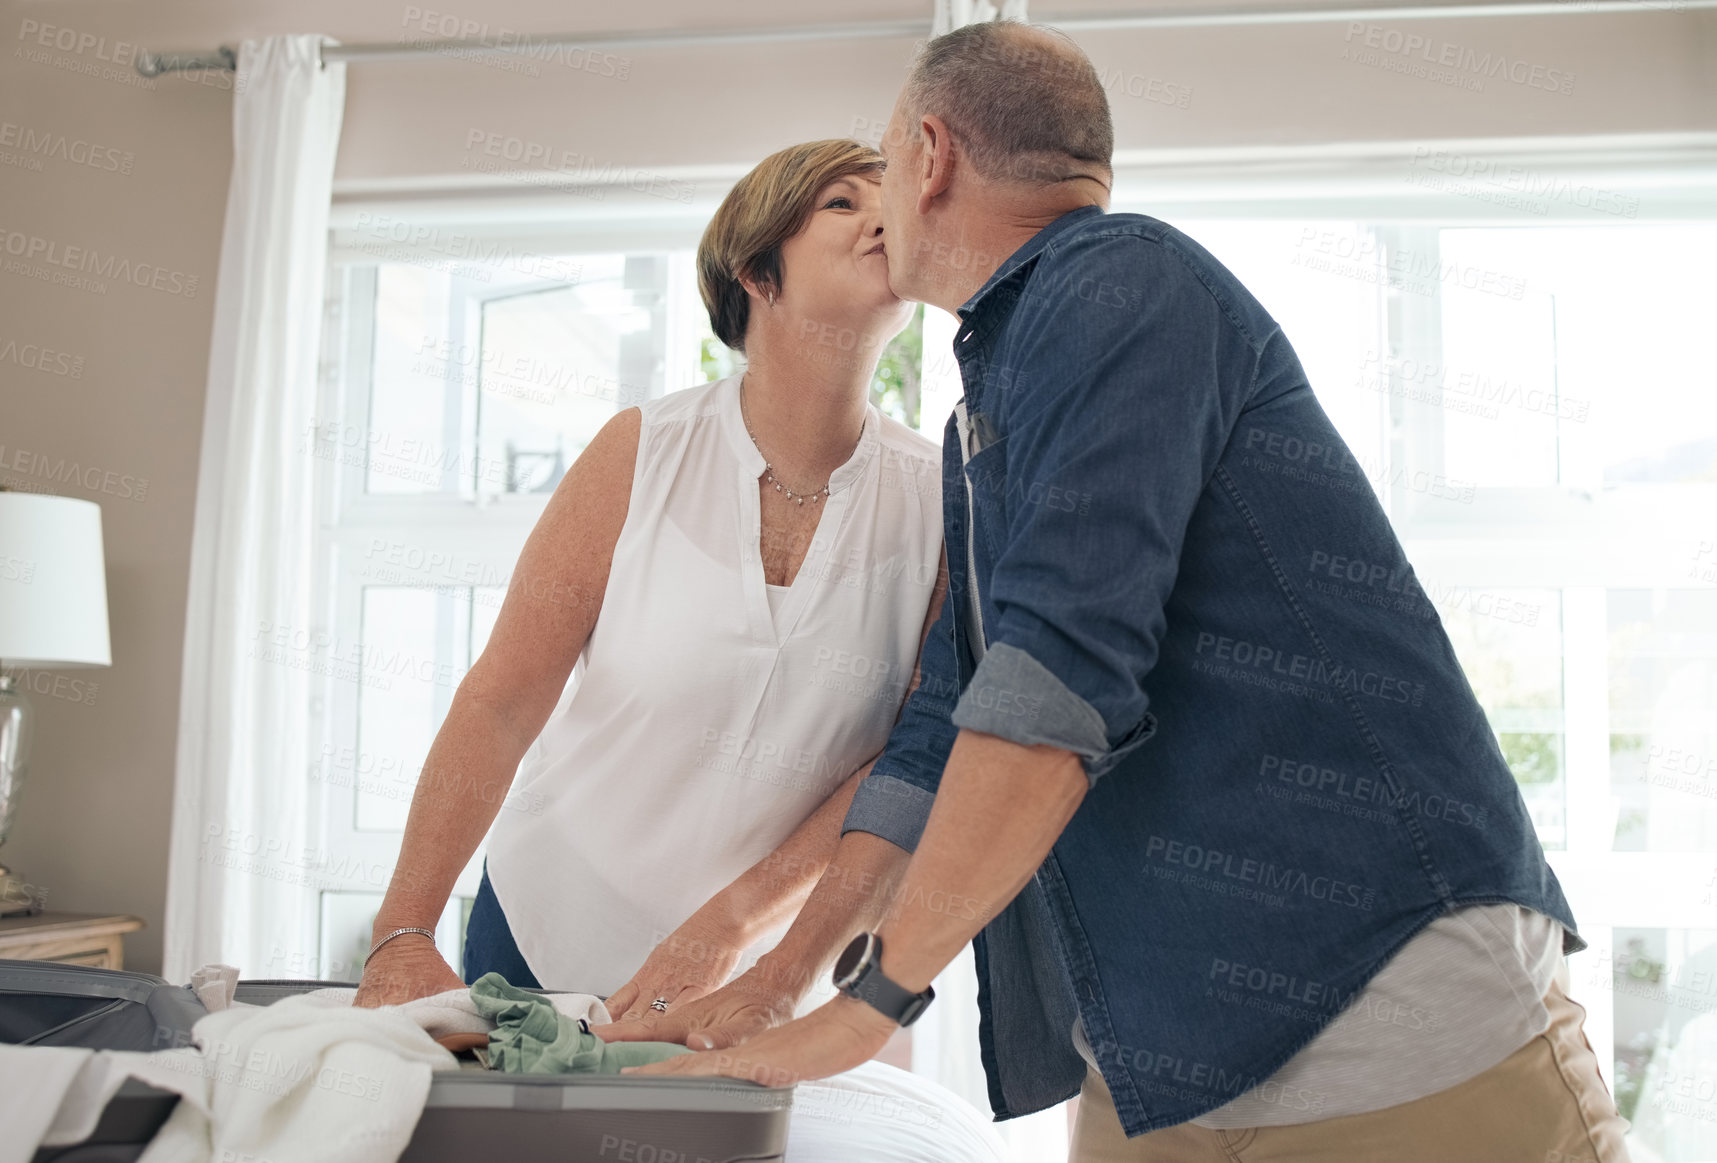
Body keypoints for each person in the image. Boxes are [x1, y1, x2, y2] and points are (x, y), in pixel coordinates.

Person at [606, 21, 1633, 1163]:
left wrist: (877, 1001)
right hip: (1161, 1055)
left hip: (1387, 1022)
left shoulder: (1120, 283)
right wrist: (785, 978)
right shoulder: (986, 409)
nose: (880, 198)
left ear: (931, 155)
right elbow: (945, 723)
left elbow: (1056, 685)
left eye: (881, 167)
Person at [350, 138, 1006, 1158]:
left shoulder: (938, 494)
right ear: (755, 270)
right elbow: (502, 701)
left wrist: (741, 927)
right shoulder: (639, 451)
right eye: (842, 200)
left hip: (747, 968)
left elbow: (902, 762)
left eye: (893, 199)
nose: (885, 214)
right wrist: (402, 928)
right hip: (530, 925)